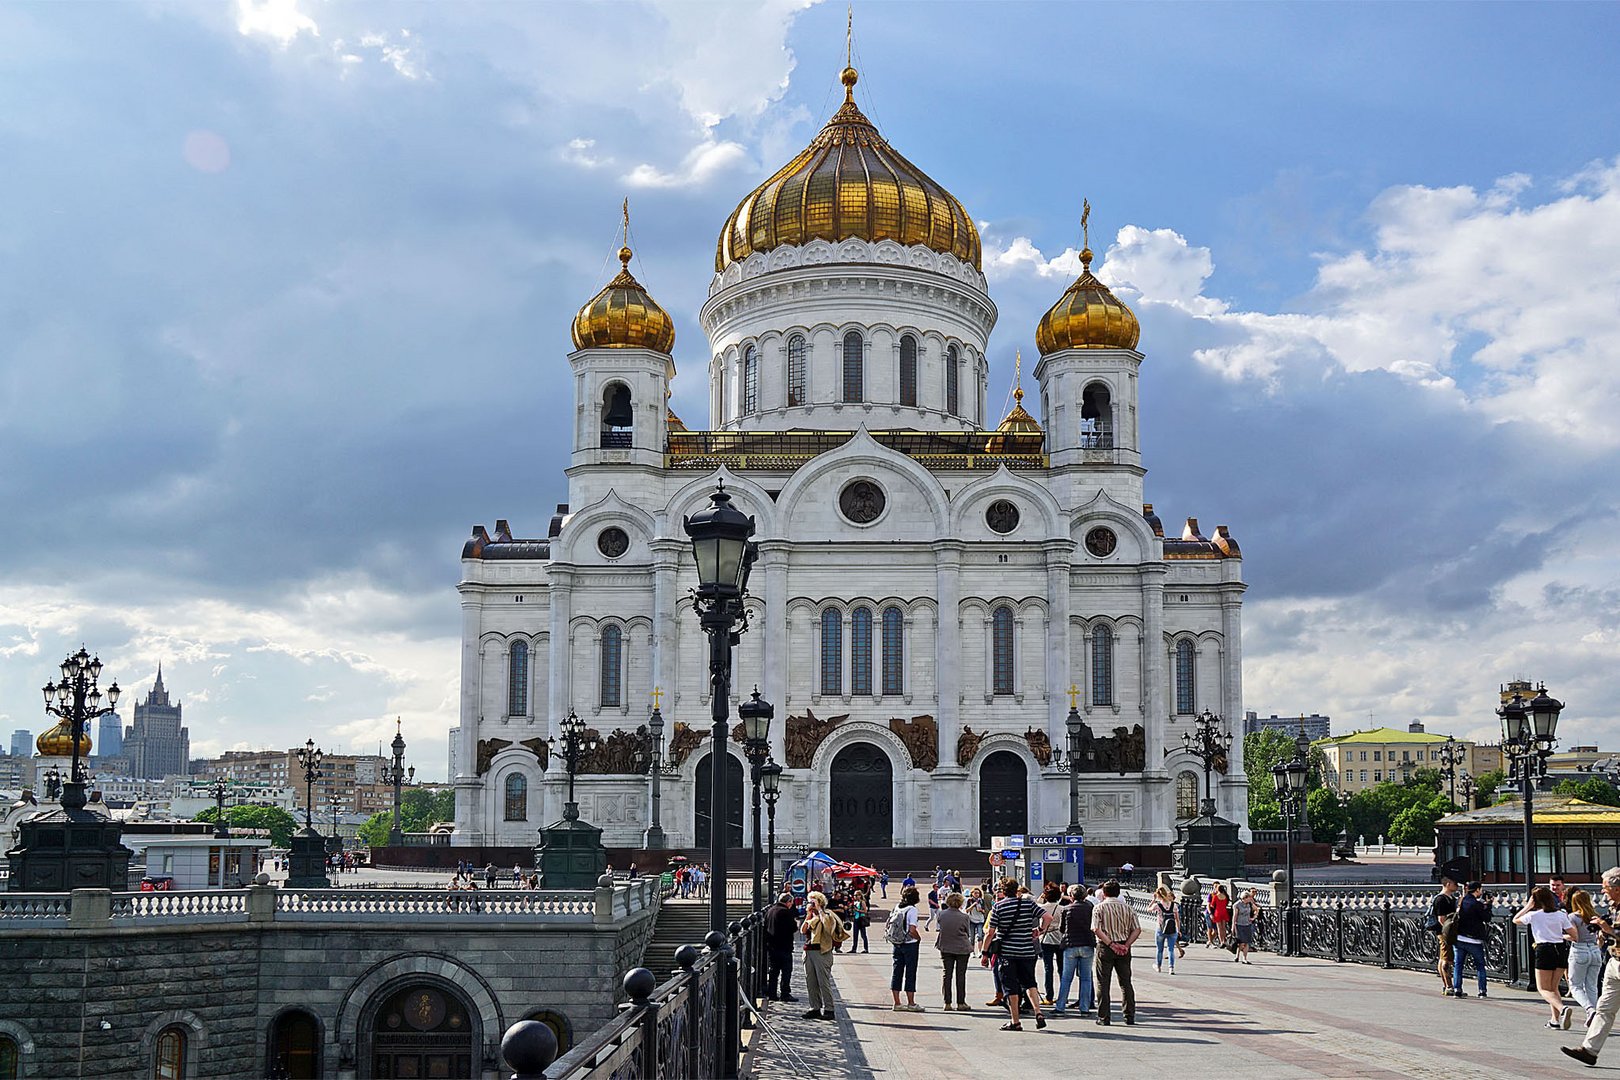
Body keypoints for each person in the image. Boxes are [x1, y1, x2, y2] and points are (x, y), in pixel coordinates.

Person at [1563, 868, 1620, 1067]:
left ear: (1617, 889)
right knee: (1604, 1008)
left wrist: (1609, 929)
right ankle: (1589, 1050)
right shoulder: (1614, 906)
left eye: (1605, 888)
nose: (1603, 891)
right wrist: (1605, 930)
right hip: (1614, 961)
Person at [981, 877, 1048, 1032]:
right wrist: (1040, 930)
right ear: (1017, 890)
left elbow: (990, 933)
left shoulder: (999, 906)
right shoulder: (1028, 903)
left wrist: (985, 953)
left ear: (1003, 891)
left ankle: (1015, 1021)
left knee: (1011, 988)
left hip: (1007, 953)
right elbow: (1047, 917)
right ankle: (1038, 1012)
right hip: (1027, 951)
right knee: (1030, 983)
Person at [1516, 884, 1574, 1028]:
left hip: (1544, 949)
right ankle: (1555, 1020)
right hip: (1560, 949)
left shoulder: (1534, 915)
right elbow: (1574, 935)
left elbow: (1516, 920)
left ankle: (1562, 1009)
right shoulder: (1561, 914)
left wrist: (1528, 906)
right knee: (1553, 988)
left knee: (1543, 989)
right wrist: (1560, 935)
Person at [1091, 879, 1139, 1025]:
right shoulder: (1128, 908)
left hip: (1106, 947)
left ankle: (1104, 1017)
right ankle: (1129, 1015)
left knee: (1103, 983)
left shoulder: (1099, 908)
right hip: (1124, 945)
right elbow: (1137, 929)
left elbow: (1096, 929)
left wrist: (1111, 944)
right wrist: (1126, 945)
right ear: (1119, 893)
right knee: (1126, 983)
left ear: (1103, 893)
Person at [799, 891, 844, 1020]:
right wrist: (809, 914)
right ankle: (815, 1007)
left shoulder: (828, 914)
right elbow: (803, 930)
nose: (811, 904)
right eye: (810, 901)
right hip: (808, 950)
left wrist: (819, 909)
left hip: (822, 952)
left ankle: (829, 1009)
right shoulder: (811, 915)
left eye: (813, 901)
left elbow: (828, 926)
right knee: (810, 981)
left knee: (823, 981)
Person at [1052, 883, 1095, 1017]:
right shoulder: (1090, 908)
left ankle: (1060, 1007)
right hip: (1087, 944)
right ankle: (1084, 1007)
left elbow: (1062, 929)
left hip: (1070, 945)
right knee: (1086, 978)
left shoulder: (1066, 909)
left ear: (1071, 896)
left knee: (1066, 978)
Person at [1450, 880, 1492, 998]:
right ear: (1477, 890)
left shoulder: (1460, 902)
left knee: (1458, 965)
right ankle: (1482, 991)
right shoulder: (1476, 904)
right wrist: (1488, 905)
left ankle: (1457, 989)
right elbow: (1487, 918)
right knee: (1480, 966)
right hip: (1474, 940)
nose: (1481, 892)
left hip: (1459, 939)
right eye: (1480, 890)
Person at [887, 885, 925, 1012]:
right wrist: (918, 938)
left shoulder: (897, 907)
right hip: (910, 944)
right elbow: (912, 929)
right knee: (910, 972)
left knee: (896, 971)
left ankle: (897, 1002)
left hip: (897, 942)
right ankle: (911, 1003)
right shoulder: (912, 910)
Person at [1569, 888, 1603, 1029]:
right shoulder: (1595, 916)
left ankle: (1590, 1009)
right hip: (1595, 950)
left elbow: (1575, 937)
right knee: (1591, 986)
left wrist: (1562, 936)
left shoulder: (1573, 917)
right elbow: (1600, 937)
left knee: (1575, 985)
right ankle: (1594, 1016)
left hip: (1580, 950)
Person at [935, 891, 973, 1012]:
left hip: (946, 946)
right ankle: (961, 1002)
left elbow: (941, 927)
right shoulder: (964, 917)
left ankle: (947, 1002)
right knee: (960, 975)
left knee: (947, 974)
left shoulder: (941, 914)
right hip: (962, 947)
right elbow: (968, 932)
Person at [1426, 876, 1460, 996]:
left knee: (1443, 957)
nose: (1457, 886)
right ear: (1448, 884)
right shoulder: (1441, 899)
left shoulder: (1450, 898)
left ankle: (1447, 986)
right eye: (1455, 883)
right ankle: (1448, 986)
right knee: (1446, 959)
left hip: (1444, 932)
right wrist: (1448, 931)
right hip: (1444, 932)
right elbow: (1441, 919)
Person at [764, 891, 799, 1002]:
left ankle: (772, 993)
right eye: (791, 903)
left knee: (773, 971)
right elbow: (793, 928)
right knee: (786, 971)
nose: (791, 905)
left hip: (772, 945)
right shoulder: (786, 912)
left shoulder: (770, 911)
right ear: (788, 902)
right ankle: (785, 993)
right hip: (784, 945)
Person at [1037, 881, 1065, 1004]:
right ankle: (1063, 996)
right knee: (1062, 969)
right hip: (1060, 939)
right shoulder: (1063, 909)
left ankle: (1049, 996)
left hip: (1046, 938)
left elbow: (1041, 926)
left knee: (1048, 969)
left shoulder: (1041, 908)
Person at [1150, 885, 1179, 973]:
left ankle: (1158, 966)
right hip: (1172, 929)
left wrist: (1153, 900)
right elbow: (1177, 919)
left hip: (1160, 929)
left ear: (1158, 896)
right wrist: (1179, 930)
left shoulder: (1157, 905)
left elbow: (1148, 909)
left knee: (1160, 949)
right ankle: (1171, 968)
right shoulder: (1174, 905)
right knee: (1170, 949)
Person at [1232, 888, 1257, 964]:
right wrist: (1233, 926)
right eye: (1249, 897)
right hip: (1239, 924)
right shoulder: (1237, 905)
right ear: (1245, 898)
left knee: (1246, 942)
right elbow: (1235, 916)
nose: (1250, 899)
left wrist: (1253, 918)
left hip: (1247, 924)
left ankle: (1244, 958)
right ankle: (1237, 955)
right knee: (1241, 942)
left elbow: (1256, 909)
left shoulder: (1249, 904)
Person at [1209, 884, 1231, 948]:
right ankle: (1224, 940)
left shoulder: (1216, 896)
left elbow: (1212, 905)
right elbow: (1226, 903)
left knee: (1219, 928)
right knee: (1224, 927)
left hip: (1217, 912)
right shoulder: (1225, 896)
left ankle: (1221, 941)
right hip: (1224, 911)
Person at [851, 888, 871, 953]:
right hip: (856, 919)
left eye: (856, 895)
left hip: (861, 919)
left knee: (863, 935)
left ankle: (866, 948)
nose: (855, 897)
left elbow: (865, 911)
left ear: (860, 895)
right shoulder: (855, 902)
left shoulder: (862, 902)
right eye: (854, 895)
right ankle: (854, 948)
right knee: (855, 935)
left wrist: (858, 910)